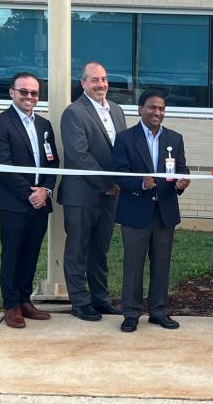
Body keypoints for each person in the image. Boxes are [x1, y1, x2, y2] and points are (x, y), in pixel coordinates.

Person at [112, 89, 191, 332]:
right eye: (152, 107)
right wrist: (140, 183)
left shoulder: (174, 139)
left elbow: (182, 170)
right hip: (136, 211)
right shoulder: (125, 138)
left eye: (161, 109)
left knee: (161, 263)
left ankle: (159, 311)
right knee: (133, 264)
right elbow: (118, 174)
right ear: (140, 109)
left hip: (164, 212)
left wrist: (182, 182)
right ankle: (131, 313)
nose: (157, 112)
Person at [0, 73, 60, 329]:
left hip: (41, 202)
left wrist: (45, 191)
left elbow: (53, 163)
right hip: (15, 201)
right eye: (24, 92)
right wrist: (30, 193)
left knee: (31, 253)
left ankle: (25, 300)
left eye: (34, 93)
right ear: (12, 93)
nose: (29, 97)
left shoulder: (44, 125)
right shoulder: (0, 123)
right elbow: (3, 165)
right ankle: (11, 305)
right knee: (13, 253)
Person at [57, 62, 127, 322]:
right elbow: (78, 155)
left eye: (104, 79)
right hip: (82, 194)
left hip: (112, 194)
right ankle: (80, 302)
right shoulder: (74, 113)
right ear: (83, 83)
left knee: (101, 249)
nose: (101, 84)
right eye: (95, 80)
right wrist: (106, 183)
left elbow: (124, 149)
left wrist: (123, 181)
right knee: (78, 249)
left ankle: (101, 299)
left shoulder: (117, 111)